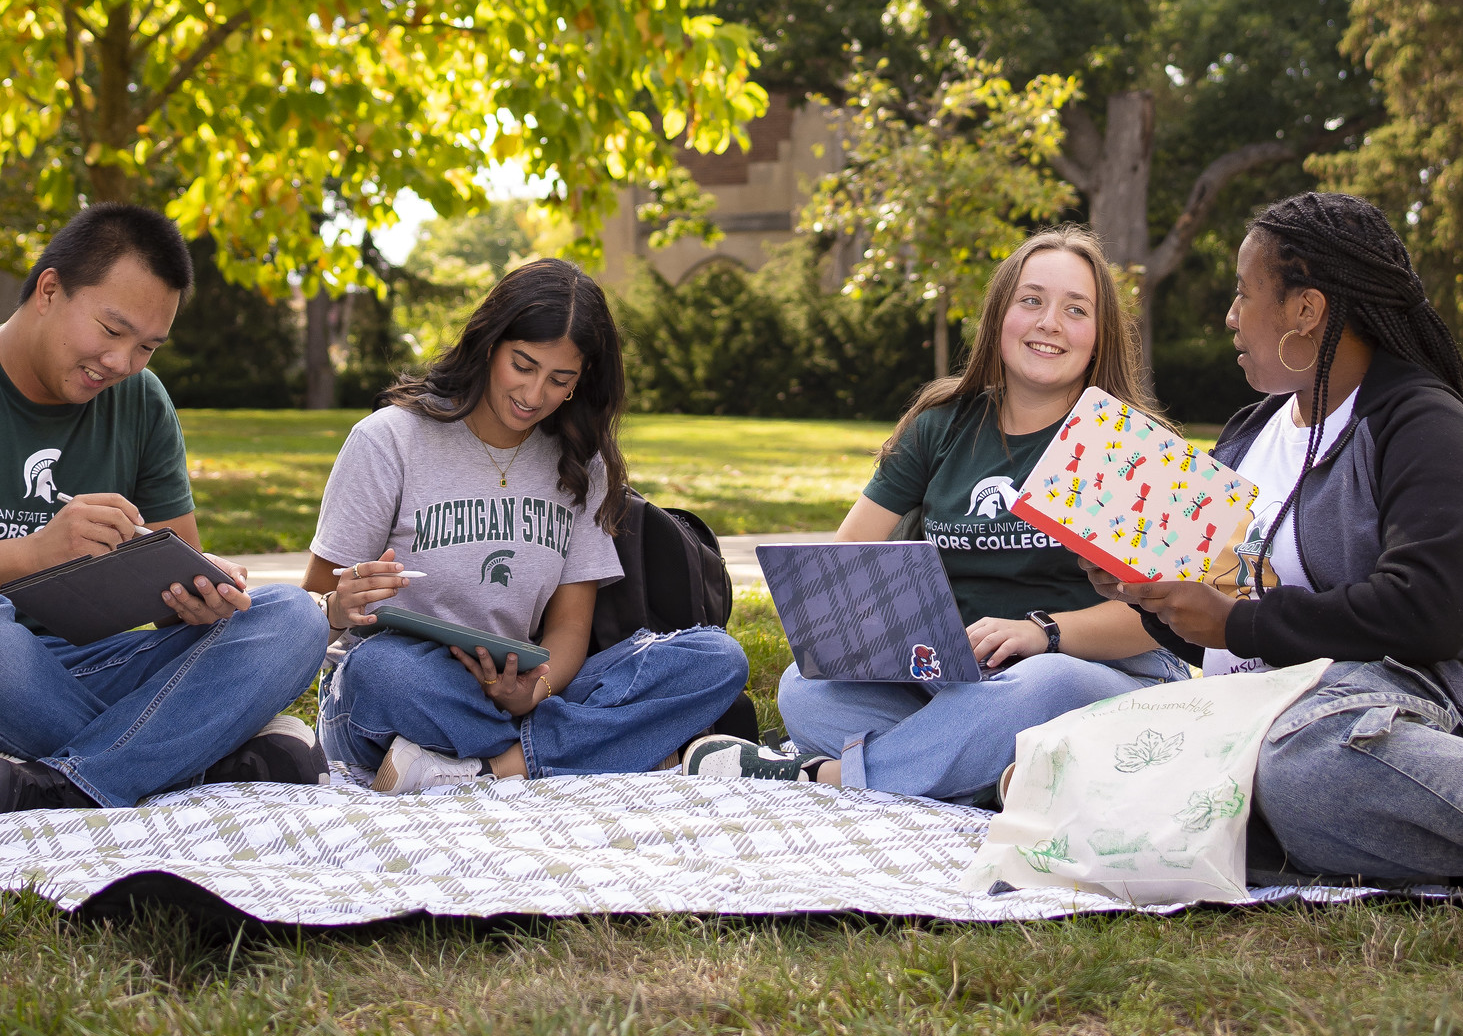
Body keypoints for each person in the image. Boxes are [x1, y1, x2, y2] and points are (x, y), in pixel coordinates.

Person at [683, 226, 1188, 800]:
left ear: (1100, 337)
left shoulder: (1127, 447)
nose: (1050, 322)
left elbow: (1160, 618)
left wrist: (1041, 633)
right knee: (805, 687)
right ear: (999, 315)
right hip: (952, 678)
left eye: (1076, 310)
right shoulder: (942, 424)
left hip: (1090, 674)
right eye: (1031, 300)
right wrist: (897, 636)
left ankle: (824, 776)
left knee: (1039, 685)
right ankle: (996, 779)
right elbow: (844, 560)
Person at [1082, 190, 1463, 885]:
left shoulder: (1419, 421)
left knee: (1303, 764)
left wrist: (1240, 623)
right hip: (1247, 719)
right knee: (1079, 748)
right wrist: (1146, 597)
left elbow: (1428, 609)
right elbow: (1207, 632)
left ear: (1305, 310)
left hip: (1374, 713)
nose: (1229, 316)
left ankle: (1271, 824)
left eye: (1242, 293)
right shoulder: (1248, 433)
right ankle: (1275, 831)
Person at [305, 257, 749, 791]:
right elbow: (312, 610)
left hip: (517, 687)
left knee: (714, 657)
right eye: (523, 365)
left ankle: (492, 768)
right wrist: (339, 605)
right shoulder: (389, 440)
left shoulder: (582, 463)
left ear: (581, 383)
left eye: (560, 379)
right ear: (489, 344)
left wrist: (532, 691)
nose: (535, 395)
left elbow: (568, 629)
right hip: (401, 689)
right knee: (384, 674)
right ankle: (595, 747)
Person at [0, 205, 330, 813]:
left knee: (293, 617)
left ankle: (64, 783)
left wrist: (201, 594)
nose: (123, 363)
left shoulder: (141, 401)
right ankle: (196, 760)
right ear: (49, 289)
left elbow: (175, 576)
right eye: (111, 329)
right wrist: (33, 553)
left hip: (99, 666)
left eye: (148, 346)